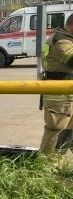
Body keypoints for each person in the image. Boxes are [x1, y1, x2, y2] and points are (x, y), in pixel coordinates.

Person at [39, 14, 73, 154]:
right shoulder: (61, 41)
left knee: (69, 129)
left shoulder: (56, 37)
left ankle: (55, 160)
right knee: (55, 130)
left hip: (65, 92)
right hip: (60, 95)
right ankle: (46, 165)